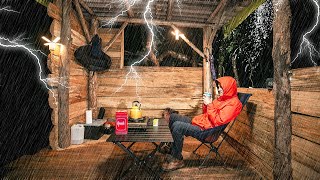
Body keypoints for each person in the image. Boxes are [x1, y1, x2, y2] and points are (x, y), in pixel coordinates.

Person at [161, 76, 242, 171]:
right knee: (173, 117)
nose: (218, 89)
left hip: (208, 132)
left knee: (177, 126)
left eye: (221, 87)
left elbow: (217, 121)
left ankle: (177, 160)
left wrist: (210, 104)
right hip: (202, 123)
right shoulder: (222, 99)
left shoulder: (234, 104)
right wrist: (206, 104)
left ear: (228, 88)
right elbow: (207, 114)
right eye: (218, 87)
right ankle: (172, 149)